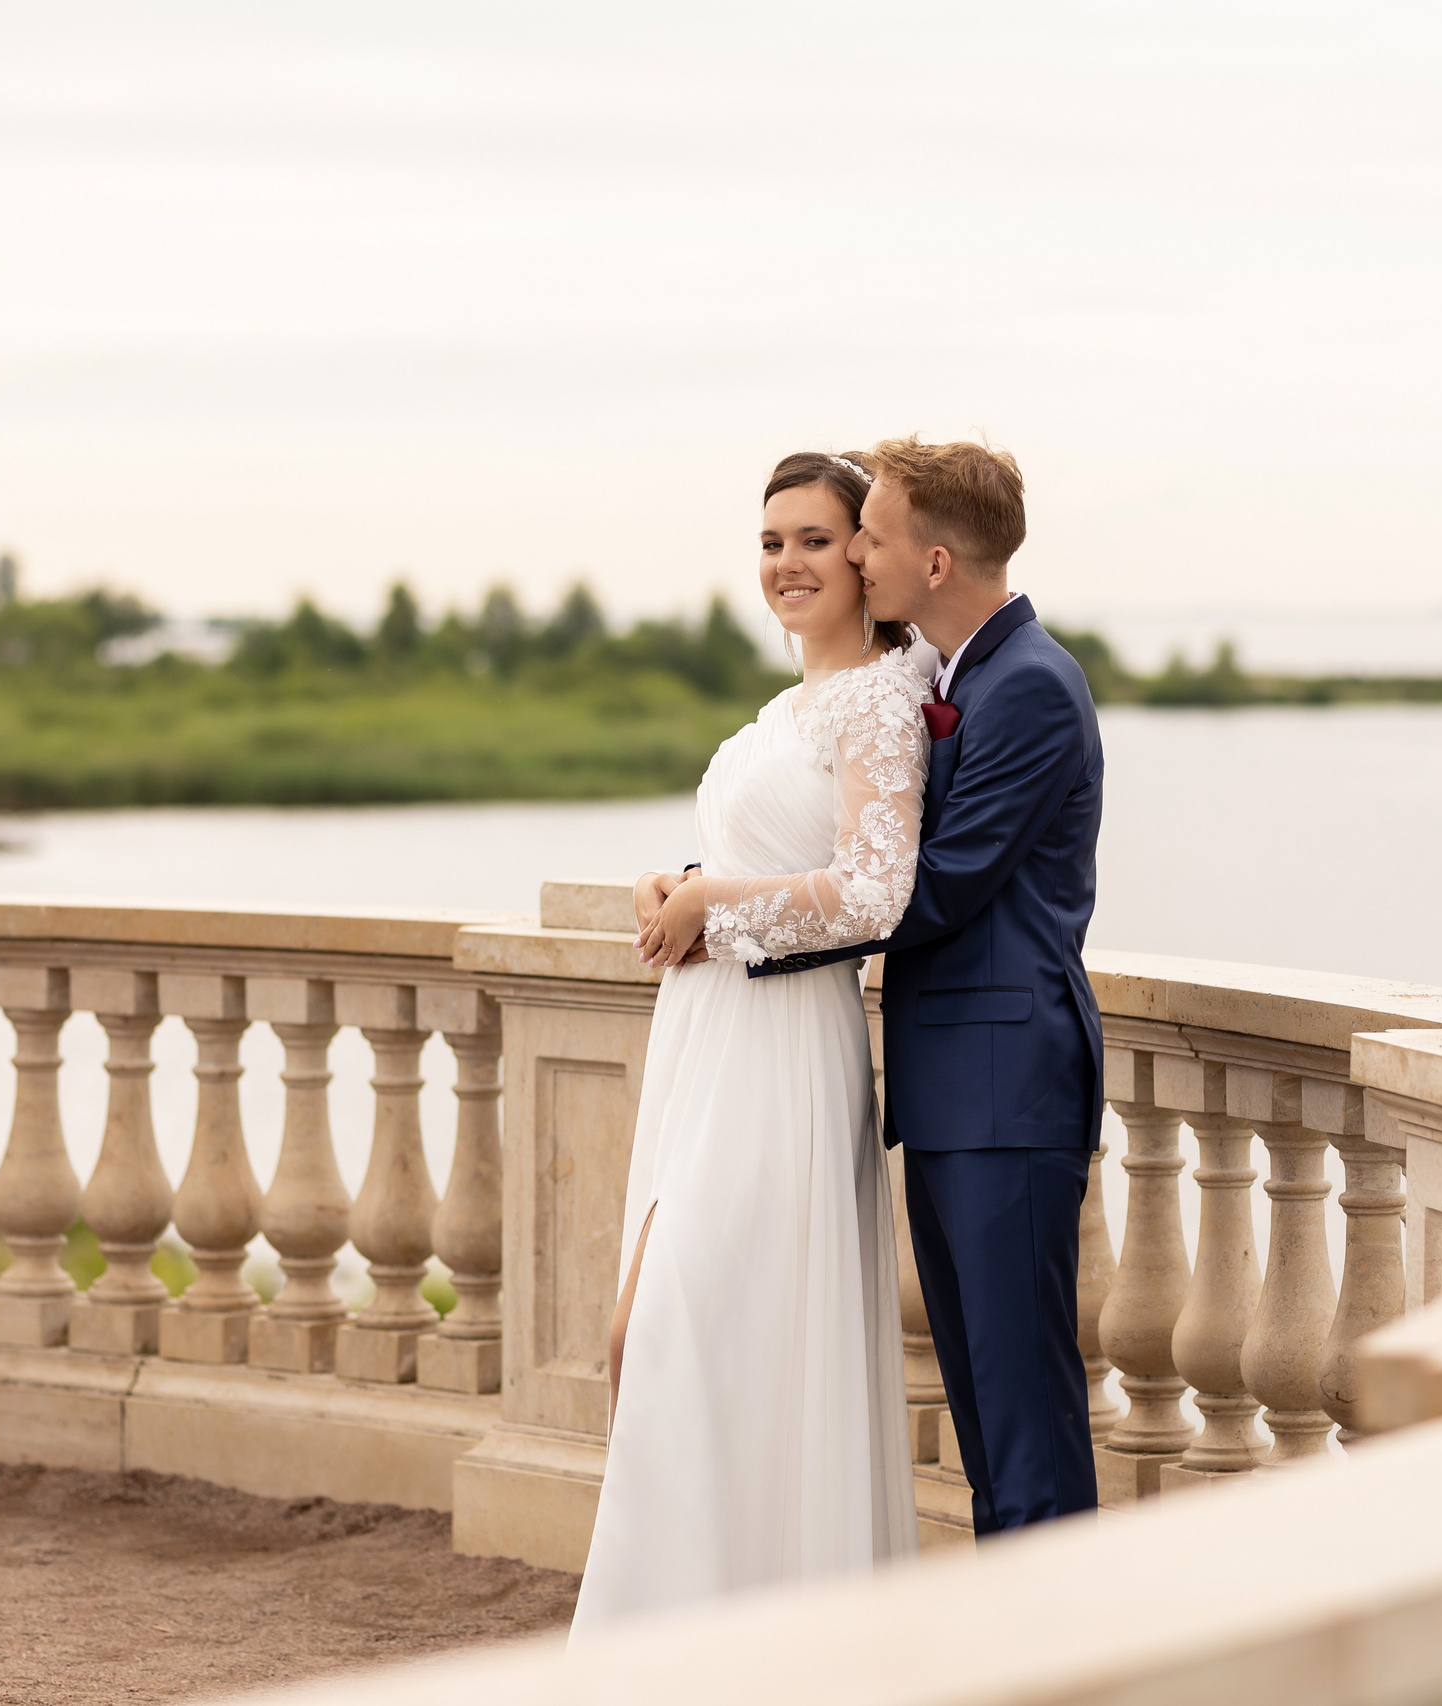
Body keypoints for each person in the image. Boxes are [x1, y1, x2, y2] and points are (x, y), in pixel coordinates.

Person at [648, 437, 1106, 1541]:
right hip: (952, 1093)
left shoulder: (1032, 685)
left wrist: (721, 909)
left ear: (933, 560)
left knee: (1025, 1423)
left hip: (1009, 1092)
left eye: (870, 533)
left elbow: (922, 890)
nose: (854, 549)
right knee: (988, 1425)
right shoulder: (955, 677)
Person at [568, 451, 927, 1637]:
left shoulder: (885, 695)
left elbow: (876, 890)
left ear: (864, 556)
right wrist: (671, 881)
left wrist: (711, 907)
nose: (787, 563)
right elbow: (760, 854)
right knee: (647, 1339)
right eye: (771, 541)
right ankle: (689, 1634)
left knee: (683, 1334)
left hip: (782, 1052)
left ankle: (745, 1639)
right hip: (705, 1046)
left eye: (816, 540)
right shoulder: (783, 711)